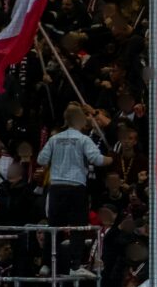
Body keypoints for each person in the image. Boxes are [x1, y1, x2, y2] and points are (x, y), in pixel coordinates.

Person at [35, 104, 110, 273]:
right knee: (78, 226)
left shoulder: (54, 139)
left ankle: (46, 264)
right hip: (76, 187)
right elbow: (97, 160)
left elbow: (41, 159)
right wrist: (111, 159)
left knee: (54, 226)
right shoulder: (83, 139)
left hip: (56, 188)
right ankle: (75, 265)